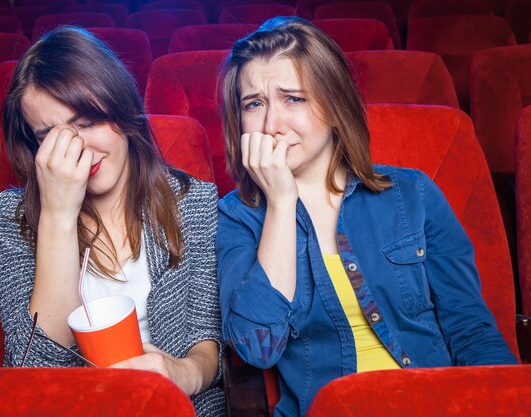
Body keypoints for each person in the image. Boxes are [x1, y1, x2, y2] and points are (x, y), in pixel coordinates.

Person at [216, 16, 517, 417]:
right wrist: (282, 201)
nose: (272, 125)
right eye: (254, 104)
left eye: (294, 98)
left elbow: (472, 330)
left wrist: (506, 402)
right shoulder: (237, 217)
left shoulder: (413, 193)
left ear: (335, 106)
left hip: (436, 404)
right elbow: (258, 348)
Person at [0, 26, 225, 416]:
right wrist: (59, 216)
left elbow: (206, 341)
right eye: (51, 135)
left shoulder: (193, 202)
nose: (77, 149)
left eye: (87, 122)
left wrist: (181, 373)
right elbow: (35, 370)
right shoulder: (7, 220)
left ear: (121, 110)